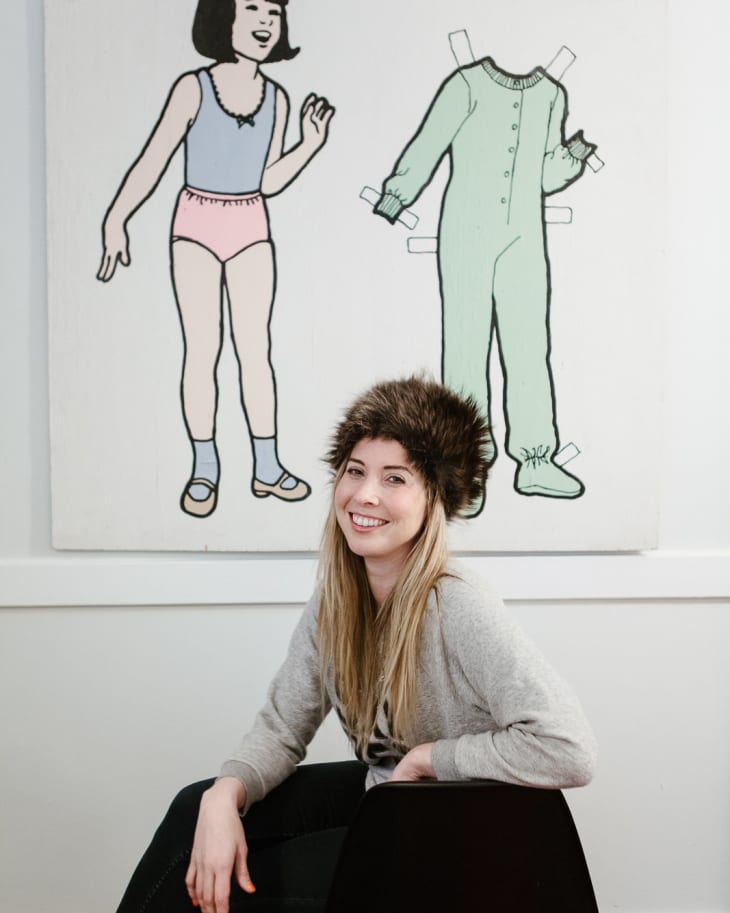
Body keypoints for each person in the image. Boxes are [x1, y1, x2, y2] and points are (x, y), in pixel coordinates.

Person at [113, 375, 597, 913]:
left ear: (435, 498)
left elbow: (569, 749)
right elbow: (282, 728)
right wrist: (225, 793)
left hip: (464, 834)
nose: (365, 494)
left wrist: (430, 758)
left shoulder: (456, 605)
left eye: (395, 478)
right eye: (355, 470)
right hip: (389, 804)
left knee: (231, 882)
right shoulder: (337, 601)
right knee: (195, 810)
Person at [97, 0, 334, 518]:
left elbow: (266, 181)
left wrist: (309, 145)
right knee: (202, 351)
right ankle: (205, 468)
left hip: (250, 227)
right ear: (223, 16)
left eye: (273, 12)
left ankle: (266, 467)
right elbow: (154, 158)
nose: (265, 21)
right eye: (252, 8)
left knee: (255, 352)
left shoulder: (278, 97)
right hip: (196, 227)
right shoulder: (193, 87)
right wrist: (116, 219)